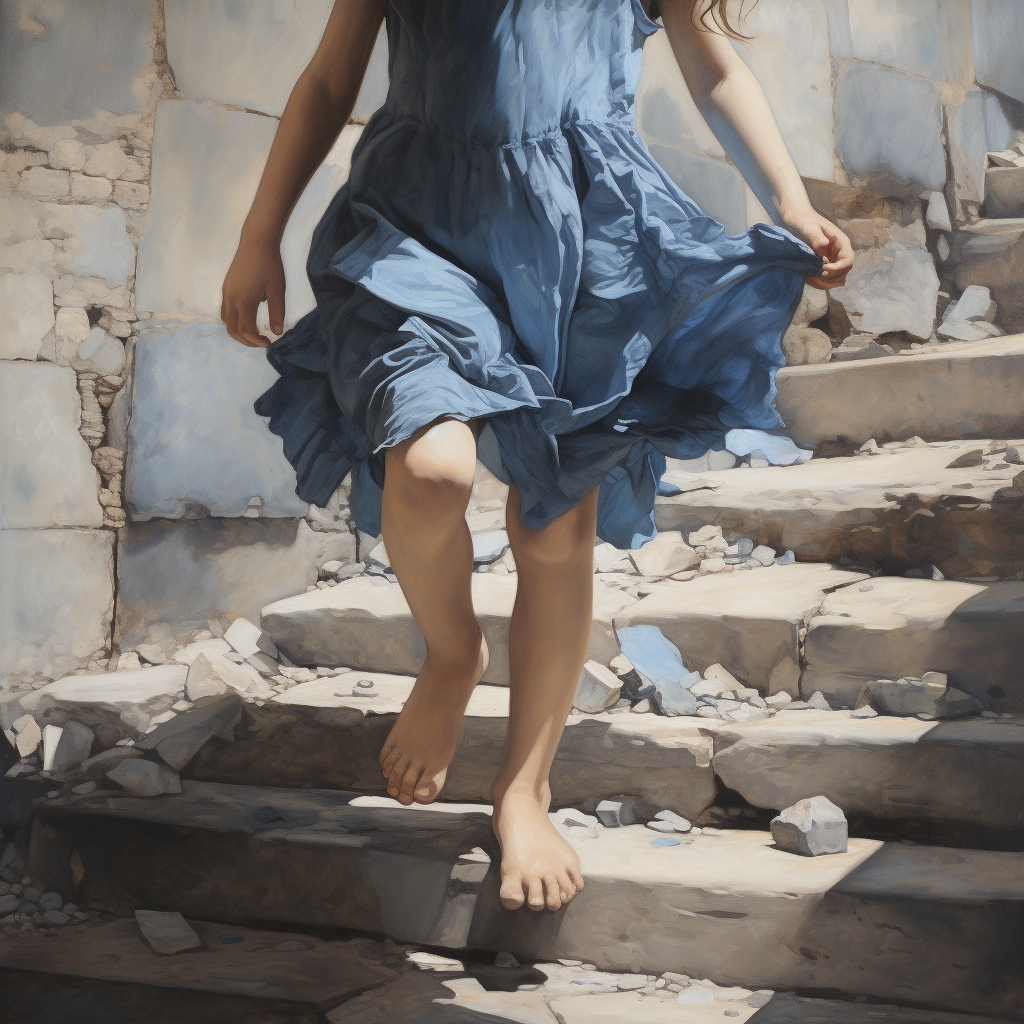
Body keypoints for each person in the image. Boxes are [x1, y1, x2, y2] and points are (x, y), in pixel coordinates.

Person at [221, 0, 853, 915]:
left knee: (552, 525)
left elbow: (714, 69)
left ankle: (525, 789)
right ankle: (452, 654)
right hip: (418, 222)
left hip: (582, 232)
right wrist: (256, 234)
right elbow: (327, 80)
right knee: (431, 465)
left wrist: (792, 200)